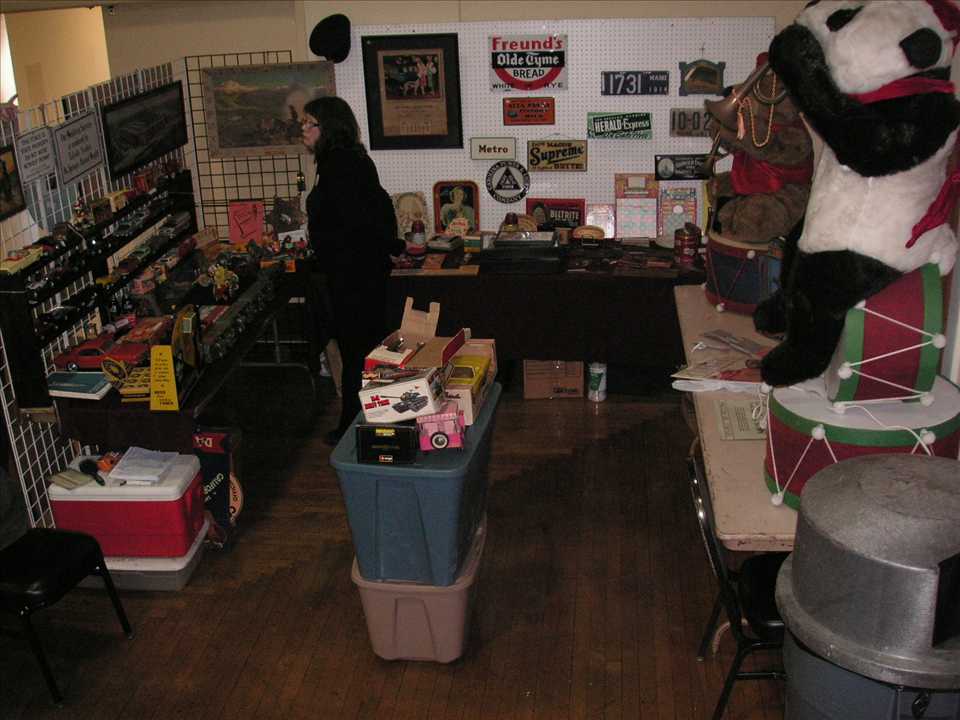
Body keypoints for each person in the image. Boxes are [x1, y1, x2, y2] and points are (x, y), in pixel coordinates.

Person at [302, 96, 400, 445]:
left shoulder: (340, 165)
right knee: (362, 351)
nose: (303, 129)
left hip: (354, 277)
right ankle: (365, 421)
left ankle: (353, 426)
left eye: (310, 123)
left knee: (357, 353)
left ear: (328, 127)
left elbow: (355, 223)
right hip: (359, 273)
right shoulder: (346, 159)